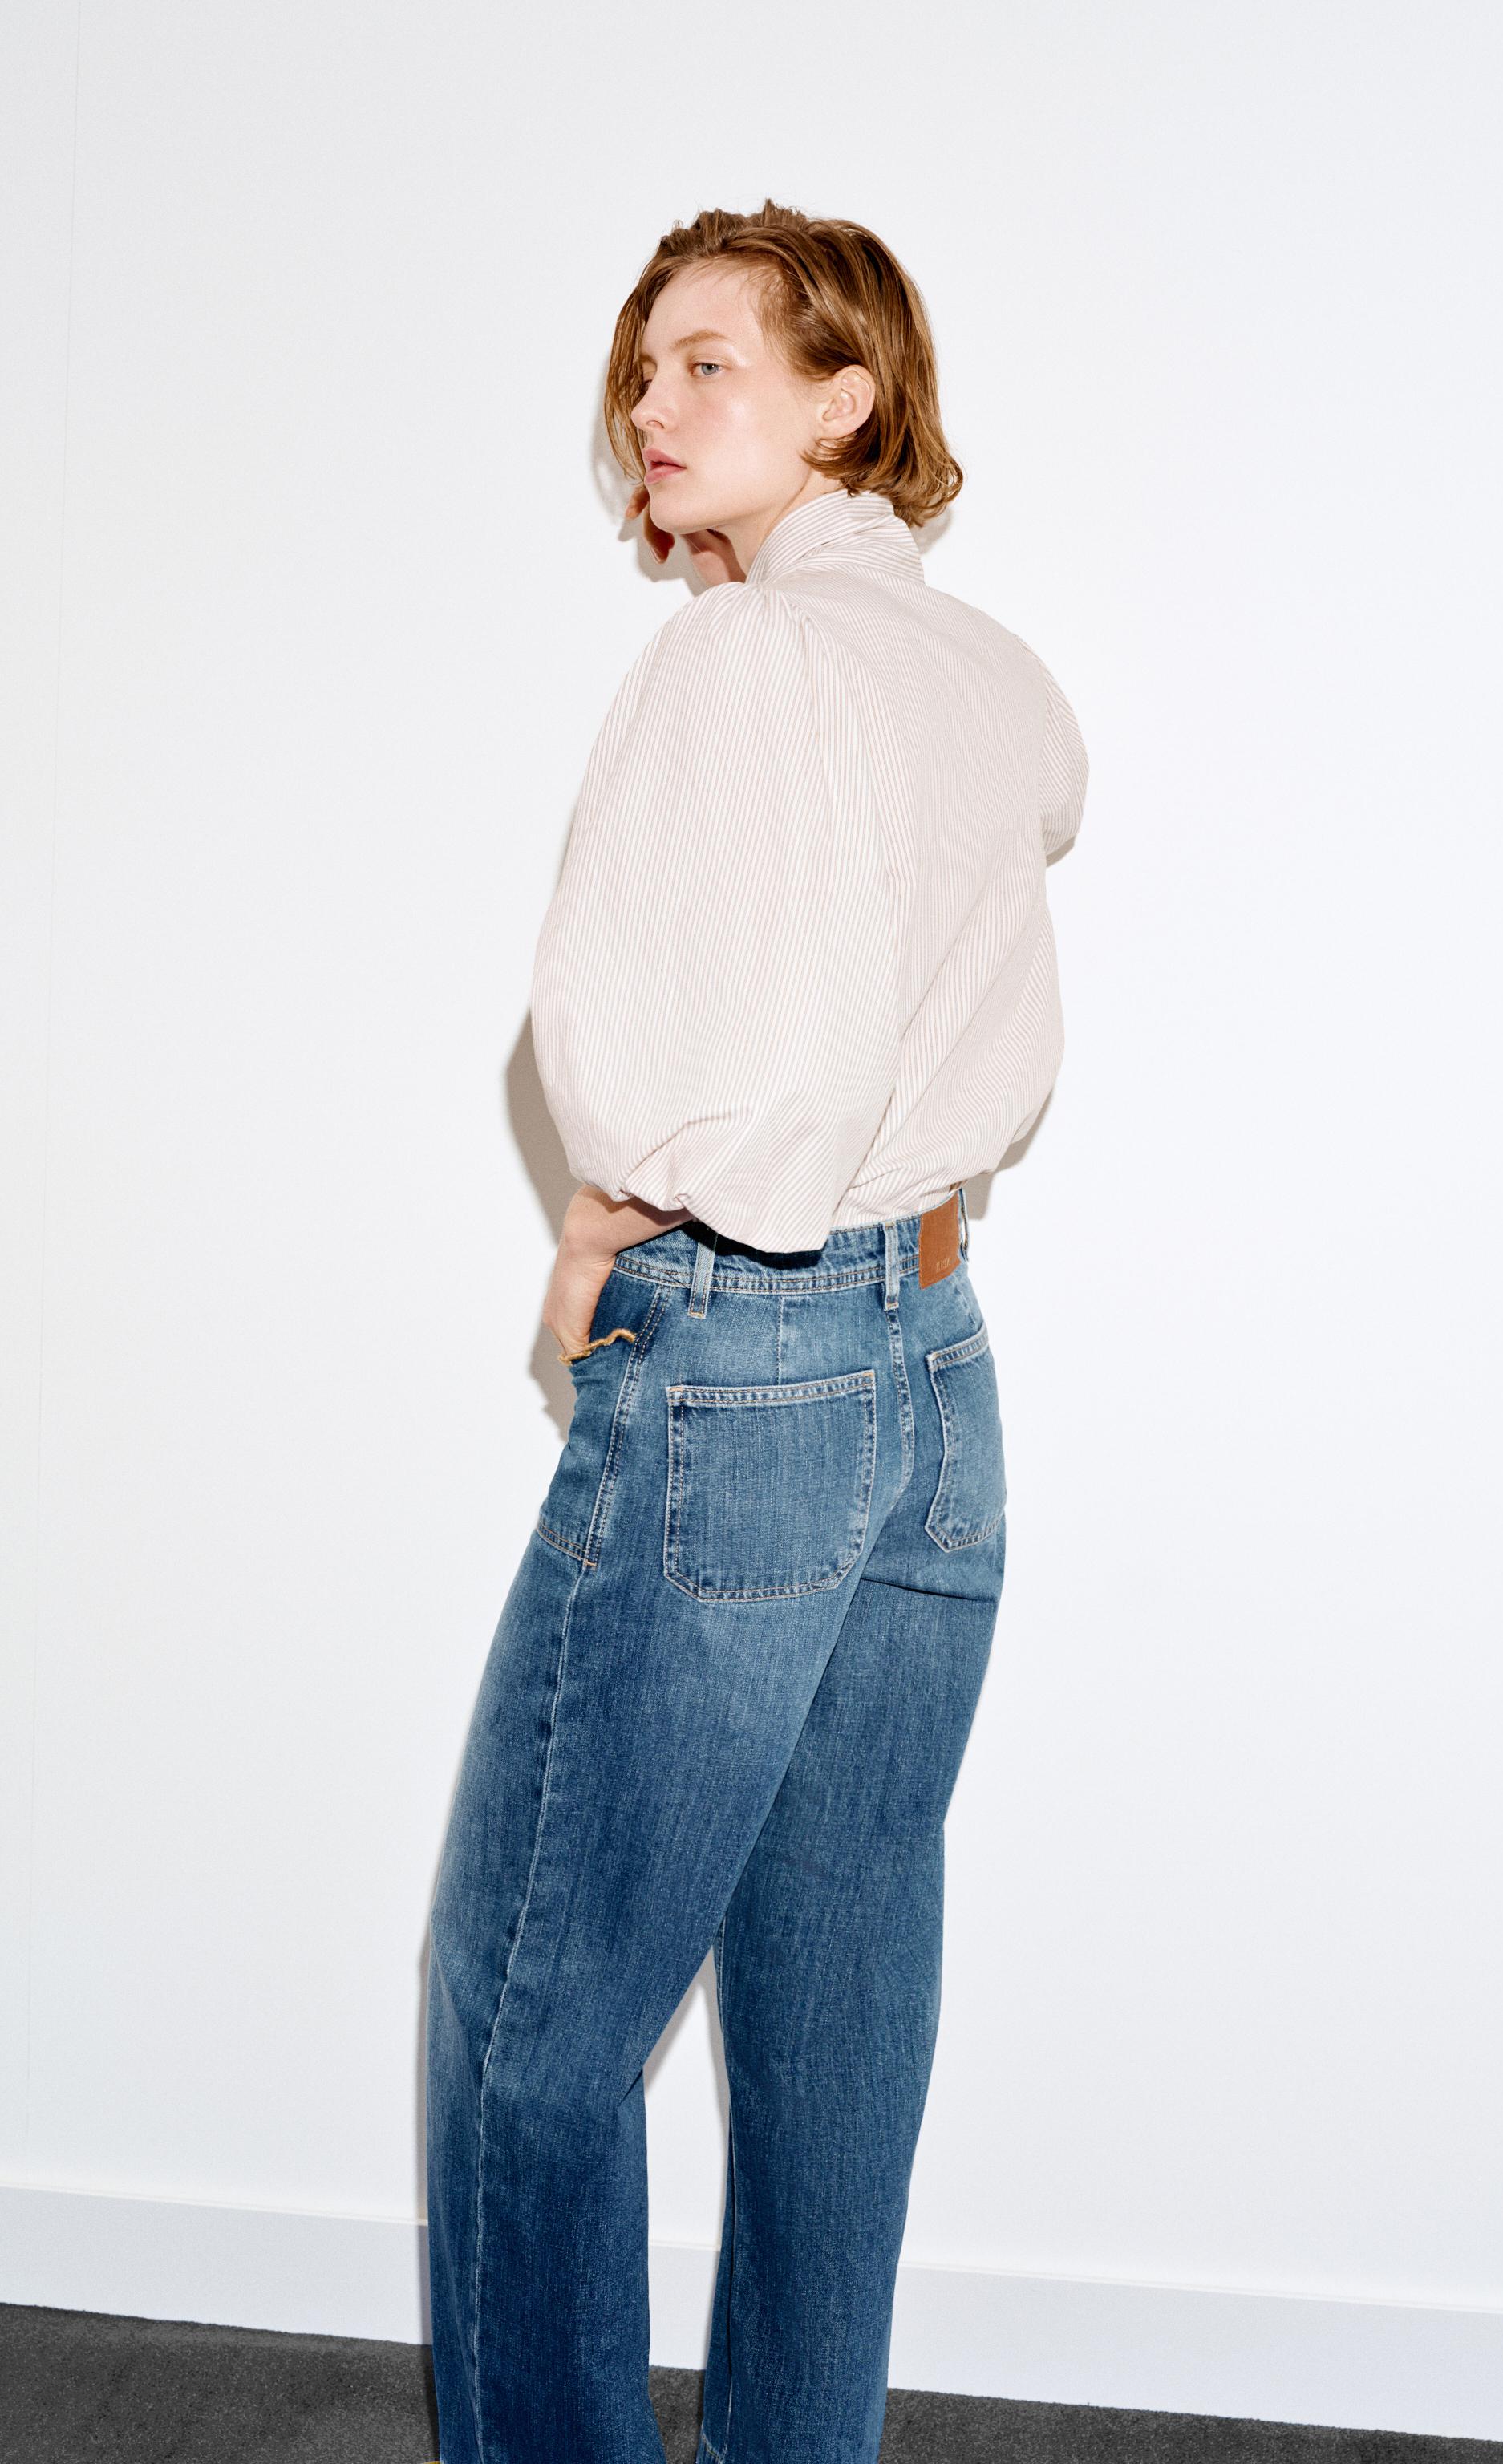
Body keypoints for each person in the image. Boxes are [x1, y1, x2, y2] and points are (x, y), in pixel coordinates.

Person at [424, 200, 1086, 2464]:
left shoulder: (747, 661)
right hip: (936, 1368)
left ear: (848, 398)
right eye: (643, 370)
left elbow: (740, 1066)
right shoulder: (983, 672)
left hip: (755, 1357)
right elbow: (991, 887)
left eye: (712, 361)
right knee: (837, 2005)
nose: (655, 404)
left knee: (529, 2006)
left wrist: (609, 1208)